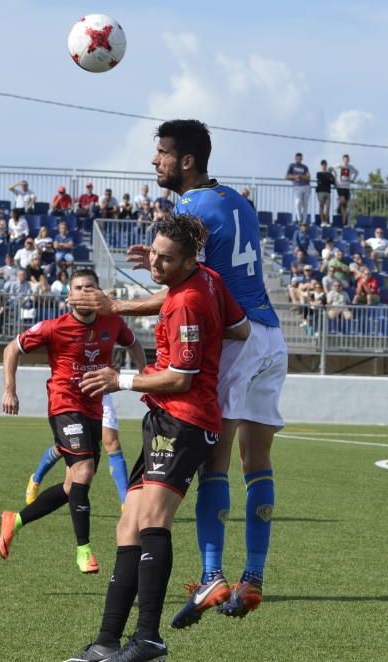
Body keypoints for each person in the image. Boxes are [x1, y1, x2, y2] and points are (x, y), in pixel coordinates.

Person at [68, 120, 286, 629]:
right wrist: (163, 265)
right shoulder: (237, 199)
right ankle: (253, 577)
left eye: (162, 153)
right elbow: (205, 274)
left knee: (215, 456)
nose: (155, 161)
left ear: (186, 160)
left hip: (240, 340)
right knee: (258, 462)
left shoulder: (188, 208)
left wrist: (116, 305)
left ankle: (212, 574)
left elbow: (188, 294)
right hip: (271, 335)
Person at [64, 215, 249, 662]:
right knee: (127, 524)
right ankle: (108, 641)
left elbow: (182, 377)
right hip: (166, 419)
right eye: (153, 253)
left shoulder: (189, 302)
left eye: (166, 259)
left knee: (151, 520)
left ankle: (148, 638)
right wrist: (119, 308)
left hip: (184, 420)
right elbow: (240, 329)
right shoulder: (207, 280)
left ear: (189, 260)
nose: (156, 263)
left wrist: (120, 379)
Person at [0, 269, 146, 576]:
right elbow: (12, 348)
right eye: (77, 288)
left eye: (89, 287)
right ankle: (84, 551)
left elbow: (134, 346)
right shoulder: (55, 327)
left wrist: (145, 381)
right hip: (64, 404)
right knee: (85, 470)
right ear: (69, 296)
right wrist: (10, 389)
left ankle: (16, 520)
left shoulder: (113, 323)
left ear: (99, 292)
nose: (83, 292)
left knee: (71, 486)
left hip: (94, 406)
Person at [26, 394, 135, 507]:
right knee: (63, 449)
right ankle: (36, 479)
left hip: (101, 395)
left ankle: (125, 502)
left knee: (112, 444)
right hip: (76, 397)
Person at [286, 152, 311, 224]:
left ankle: (304, 221)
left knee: (305, 205)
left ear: (302, 159)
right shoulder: (292, 166)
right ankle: (299, 219)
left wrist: (301, 176)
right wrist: (294, 177)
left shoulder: (305, 167)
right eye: (297, 158)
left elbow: (308, 177)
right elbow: (287, 176)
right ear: (295, 158)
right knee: (298, 202)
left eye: (300, 158)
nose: (299, 160)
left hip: (306, 186)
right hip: (297, 186)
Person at [333, 154, 358, 222]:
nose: (346, 161)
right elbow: (331, 169)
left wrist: (353, 179)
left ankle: (344, 221)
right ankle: (338, 208)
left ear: (349, 160)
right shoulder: (339, 165)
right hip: (340, 186)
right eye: (345, 159)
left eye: (347, 159)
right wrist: (334, 179)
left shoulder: (350, 167)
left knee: (344, 205)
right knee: (343, 200)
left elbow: (356, 172)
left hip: (347, 187)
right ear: (343, 159)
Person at [316, 159, 335, 226]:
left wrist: (330, 177)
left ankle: (326, 221)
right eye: (323, 165)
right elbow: (321, 181)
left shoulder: (329, 174)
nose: (324, 166)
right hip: (320, 191)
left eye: (325, 165)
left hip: (327, 192)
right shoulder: (319, 173)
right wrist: (328, 179)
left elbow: (333, 182)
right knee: (321, 206)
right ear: (321, 166)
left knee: (328, 207)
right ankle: (322, 221)